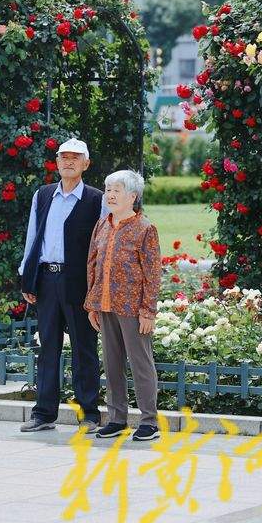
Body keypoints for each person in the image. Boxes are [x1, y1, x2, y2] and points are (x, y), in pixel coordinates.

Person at [18, 138, 108, 432]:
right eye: (63, 157)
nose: (68, 162)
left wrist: (97, 285)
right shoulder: (43, 195)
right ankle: (43, 414)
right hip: (46, 278)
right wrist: (27, 276)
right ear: (56, 162)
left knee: (84, 348)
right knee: (48, 347)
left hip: (79, 281)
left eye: (75, 157)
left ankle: (90, 415)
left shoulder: (97, 199)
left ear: (86, 163)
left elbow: (102, 246)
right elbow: (34, 238)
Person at [85, 170, 163, 441]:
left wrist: (148, 311)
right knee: (112, 364)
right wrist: (93, 304)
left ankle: (149, 421)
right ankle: (117, 419)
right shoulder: (102, 225)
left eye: (117, 190)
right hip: (105, 306)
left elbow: (153, 274)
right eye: (108, 189)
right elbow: (92, 265)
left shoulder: (145, 228)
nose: (110, 195)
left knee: (141, 364)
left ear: (133, 196)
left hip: (133, 309)